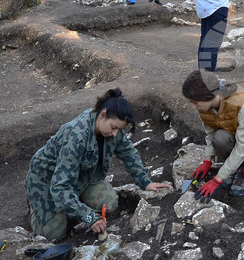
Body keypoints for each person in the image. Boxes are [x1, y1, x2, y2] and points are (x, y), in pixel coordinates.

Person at [24, 89, 172, 241]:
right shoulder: (76, 137)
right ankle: (34, 208)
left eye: (119, 129)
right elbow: (59, 187)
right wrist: (89, 217)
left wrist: (145, 182)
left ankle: (72, 204)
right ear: (102, 114)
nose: (116, 133)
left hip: (81, 175)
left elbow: (128, 152)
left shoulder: (111, 126)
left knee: (110, 204)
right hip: (47, 182)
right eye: (114, 128)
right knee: (54, 234)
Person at [182, 70, 244, 200]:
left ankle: (243, 171)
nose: (193, 107)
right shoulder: (205, 107)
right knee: (219, 138)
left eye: (195, 102)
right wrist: (207, 160)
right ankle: (233, 167)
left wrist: (217, 179)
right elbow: (210, 134)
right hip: (233, 136)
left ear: (208, 95)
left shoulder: (242, 104)